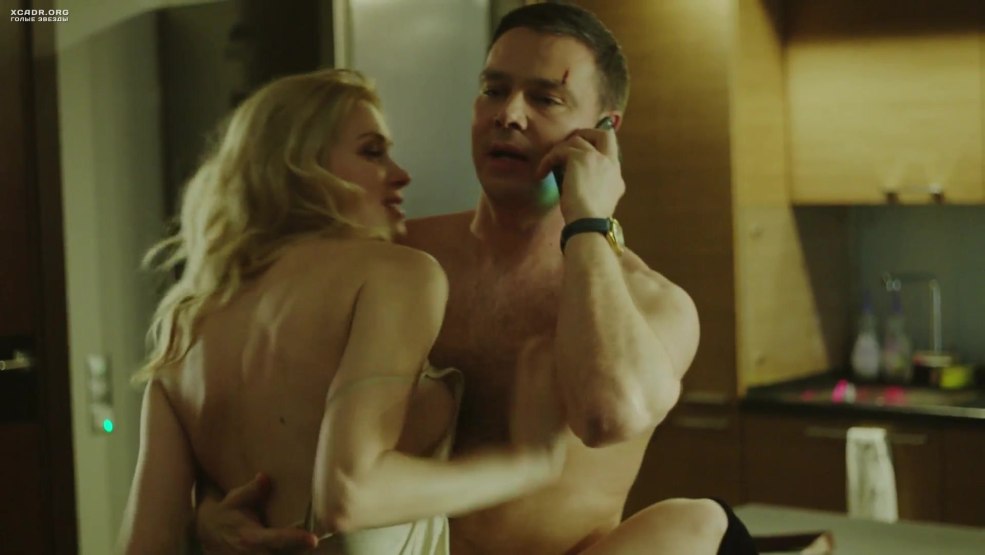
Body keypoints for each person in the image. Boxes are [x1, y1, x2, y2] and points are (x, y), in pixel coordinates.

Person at [197, 3, 759, 554]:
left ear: (604, 133)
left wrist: (589, 220)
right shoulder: (394, 261)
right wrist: (209, 511)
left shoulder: (651, 302)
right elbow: (263, 400)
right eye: (493, 89)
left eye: (545, 98)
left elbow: (608, 415)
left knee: (695, 521)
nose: (508, 114)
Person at [116, 68, 571, 555]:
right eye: (372, 152)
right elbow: (351, 494)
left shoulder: (187, 323)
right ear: (297, 164)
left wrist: (204, 521)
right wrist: (531, 464)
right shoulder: (395, 275)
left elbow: (145, 546)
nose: (400, 174)